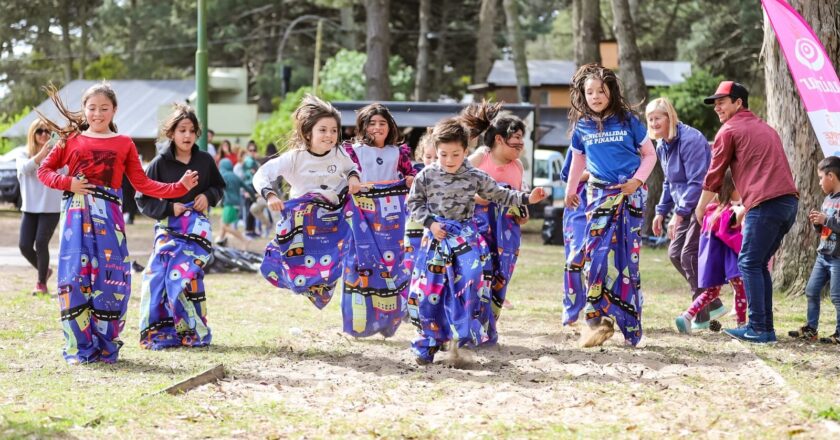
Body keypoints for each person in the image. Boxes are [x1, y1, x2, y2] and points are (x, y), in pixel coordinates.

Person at [37, 82, 198, 364]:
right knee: (74, 280)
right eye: (92, 108)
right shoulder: (69, 140)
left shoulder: (124, 143)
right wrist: (68, 183)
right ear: (85, 110)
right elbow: (44, 171)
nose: (97, 114)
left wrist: (178, 186)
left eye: (104, 108)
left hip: (109, 221)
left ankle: (105, 346)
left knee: (110, 282)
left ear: (114, 110)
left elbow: (143, 183)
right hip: (75, 218)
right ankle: (79, 347)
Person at [406, 102, 547, 365]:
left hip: (465, 236)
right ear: (435, 151)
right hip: (436, 237)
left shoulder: (474, 174)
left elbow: (500, 194)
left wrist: (528, 198)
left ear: (466, 150)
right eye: (443, 154)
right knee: (428, 291)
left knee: (471, 280)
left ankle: (462, 338)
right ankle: (427, 342)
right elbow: (413, 203)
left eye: (456, 154)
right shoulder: (426, 175)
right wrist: (430, 223)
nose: (449, 161)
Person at [695, 81, 798, 344]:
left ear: (738, 102)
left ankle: (758, 329)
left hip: (765, 204)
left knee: (749, 263)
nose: (717, 106)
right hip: (788, 204)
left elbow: (715, 174)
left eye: (722, 101)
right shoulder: (765, 128)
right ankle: (765, 329)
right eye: (714, 102)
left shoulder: (729, 129)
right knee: (757, 263)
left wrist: (700, 208)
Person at [563, 64, 657, 348]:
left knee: (627, 261)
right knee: (594, 258)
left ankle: (630, 326)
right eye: (589, 91)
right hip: (598, 196)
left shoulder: (628, 120)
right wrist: (569, 190)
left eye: (600, 90)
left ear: (611, 91)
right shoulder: (581, 126)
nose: (595, 96)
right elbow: (578, 161)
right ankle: (596, 322)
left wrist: (637, 182)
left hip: (631, 195)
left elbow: (650, 155)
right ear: (582, 95)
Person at [253, 94, 361, 309]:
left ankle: (318, 287)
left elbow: (351, 168)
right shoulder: (295, 157)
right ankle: (290, 272)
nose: (329, 135)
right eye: (323, 130)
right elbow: (261, 174)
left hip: (330, 220)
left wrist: (353, 178)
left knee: (331, 267)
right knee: (296, 263)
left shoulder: (339, 153)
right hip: (301, 224)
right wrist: (270, 195)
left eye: (333, 130)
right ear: (307, 132)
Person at [135, 104, 225, 350]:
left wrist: (208, 196)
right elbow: (142, 198)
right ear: (171, 133)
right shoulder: (158, 163)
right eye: (182, 130)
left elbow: (219, 188)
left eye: (192, 130)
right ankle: (160, 332)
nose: (187, 135)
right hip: (167, 230)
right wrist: (168, 208)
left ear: (197, 134)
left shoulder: (205, 160)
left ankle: (193, 332)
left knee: (189, 279)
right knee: (157, 276)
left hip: (197, 232)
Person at [646, 97, 725, 330]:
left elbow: (697, 181)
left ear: (670, 116)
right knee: (674, 254)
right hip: (684, 206)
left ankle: (700, 313)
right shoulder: (662, 145)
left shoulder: (690, 139)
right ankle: (712, 302)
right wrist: (661, 212)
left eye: (657, 117)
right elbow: (670, 183)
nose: (653, 122)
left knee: (688, 255)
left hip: (703, 202)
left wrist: (678, 214)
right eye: (650, 119)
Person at [341, 103, 416, 337]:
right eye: (371, 123)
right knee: (359, 265)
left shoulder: (399, 153)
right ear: (362, 126)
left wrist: (410, 179)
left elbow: (410, 174)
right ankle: (359, 322)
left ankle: (389, 319)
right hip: (361, 217)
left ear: (390, 126)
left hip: (392, 220)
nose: (377, 127)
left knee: (391, 266)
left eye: (382, 123)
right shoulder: (352, 151)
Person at [466, 104, 529, 339]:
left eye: (522, 140)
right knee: (479, 273)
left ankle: (488, 327)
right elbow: (457, 187)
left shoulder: (518, 166)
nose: (521, 146)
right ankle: (469, 325)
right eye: (517, 140)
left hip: (508, 232)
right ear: (500, 140)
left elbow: (519, 199)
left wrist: (523, 215)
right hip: (478, 227)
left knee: (501, 278)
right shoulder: (481, 157)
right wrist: (479, 198)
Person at [675, 170, 747, 333]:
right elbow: (731, 231)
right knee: (740, 289)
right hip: (729, 260)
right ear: (733, 187)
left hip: (712, 260)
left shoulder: (712, 210)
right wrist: (743, 211)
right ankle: (742, 325)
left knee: (711, 292)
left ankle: (687, 316)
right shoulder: (729, 211)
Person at [788, 156, 840, 344]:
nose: (819, 182)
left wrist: (825, 220)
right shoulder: (827, 199)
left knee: (837, 296)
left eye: (820, 178)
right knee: (811, 290)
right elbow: (826, 227)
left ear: (831, 176)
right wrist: (818, 224)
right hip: (823, 255)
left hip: (837, 258)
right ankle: (811, 328)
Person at [16, 120, 63, 295]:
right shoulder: (23, 153)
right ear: (32, 134)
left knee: (41, 243)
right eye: (39, 131)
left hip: (51, 208)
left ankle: (41, 283)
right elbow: (24, 168)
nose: (43, 134)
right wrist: (42, 154)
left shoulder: (58, 154)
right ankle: (45, 270)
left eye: (47, 131)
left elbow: (65, 172)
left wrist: (54, 155)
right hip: (29, 208)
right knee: (24, 246)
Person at [559, 147, 589, 325]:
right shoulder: (578, 142)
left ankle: (597, 309)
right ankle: (572, 308)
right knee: (575, 258)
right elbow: (566, 175)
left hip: (608, 202)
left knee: (598, 261)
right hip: (578, 204)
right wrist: (590, 175)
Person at [404, 130, 435, 276]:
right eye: (428, 157)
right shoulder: (416, 172)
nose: (433, 161)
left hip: (433, 228)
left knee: (429, 265)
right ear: (421, 156)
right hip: (413, 226)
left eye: (437, 157)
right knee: (410, 263)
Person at [216, 158, 253, 247]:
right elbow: (247, 188)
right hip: (237, 204)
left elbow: (220, 188)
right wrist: (254, 198)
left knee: (225, 226)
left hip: (230, 204)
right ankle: (221, 240)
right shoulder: (235, 176)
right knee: (223, 221)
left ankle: (244, 240)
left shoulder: (224, 175)